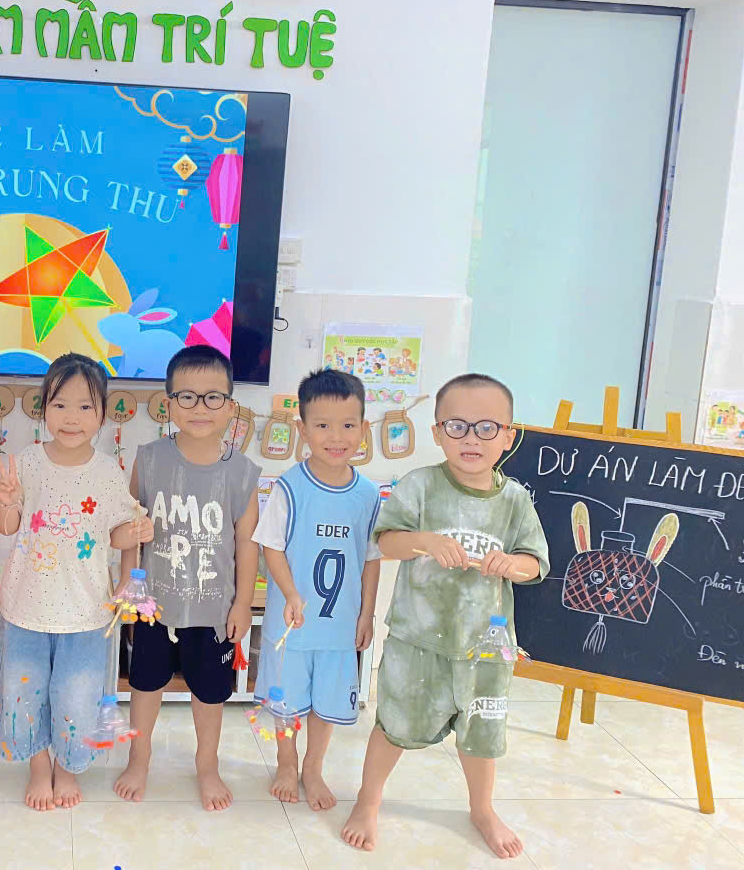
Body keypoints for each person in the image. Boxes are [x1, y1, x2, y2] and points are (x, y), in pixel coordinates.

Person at [341, 373, 549, 859]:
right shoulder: (420, 485)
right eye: (457, 426)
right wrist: (426, 541)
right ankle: (368, 801)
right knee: (394, 725)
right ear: (437, 433)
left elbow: (535, 564)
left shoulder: (515, 500)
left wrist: (511, 564)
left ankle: (482, 809)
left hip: (485, 649)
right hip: (417, 641)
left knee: (481, 736)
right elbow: (387, 542)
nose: (471, 439)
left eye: (486, 427)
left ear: (509, 436)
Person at [0, 353, 152, 811]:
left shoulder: (108, 471)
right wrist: (7, 501)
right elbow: (6, 526)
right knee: (24, 693)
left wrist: (138, 532)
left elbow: (115, 535)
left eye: (84, 406)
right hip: (26, 607)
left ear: (102, 414)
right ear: (43, 409)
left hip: (85, 612)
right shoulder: (26, 462)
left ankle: (68, 768)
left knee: (76, 698)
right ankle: (39, 767)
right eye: (59, 404)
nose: (71, 417)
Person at [113, 345, 260, 811]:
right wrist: (128, 582)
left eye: (213, 397)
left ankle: (207, 766)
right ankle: (139, 759)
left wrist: (242, 604)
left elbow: (247, 543)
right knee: (145, 685)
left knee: (210, 693)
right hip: (154, 605)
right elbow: (131, 523)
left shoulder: (243, 472)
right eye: (188, 397)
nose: (200, 407)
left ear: (230, 406)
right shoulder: (149, 458)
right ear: (169, 404)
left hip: (214, 609)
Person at [254, 369, 380, 811]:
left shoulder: (368, 495)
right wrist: (291, 593)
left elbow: (371, 558)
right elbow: (271, 547)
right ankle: (286, 762)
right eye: (323, 425)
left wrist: (366, 614)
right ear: (303, 429)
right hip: (292, 626)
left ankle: (313, 766)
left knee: (326, 702)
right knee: (287, 701)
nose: (336, 436)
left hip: (338, 628)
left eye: (348, 425)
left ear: (364, 429)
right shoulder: (289, 487)